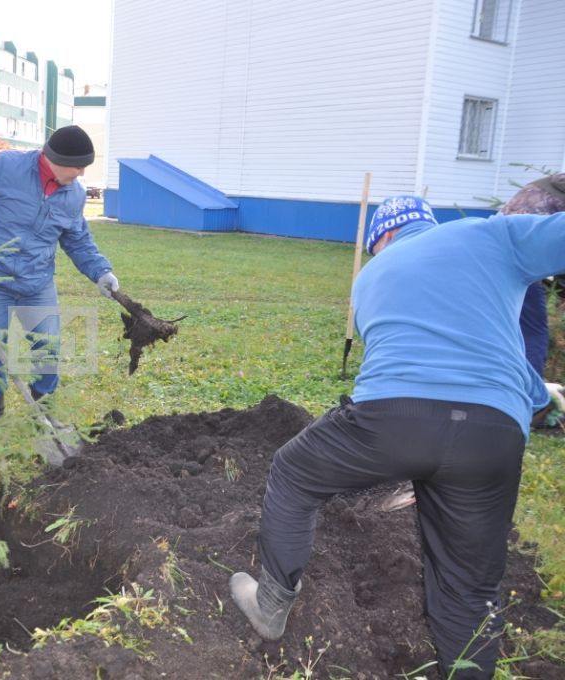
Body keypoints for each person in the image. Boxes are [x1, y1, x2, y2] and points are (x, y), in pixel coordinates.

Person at [229, 195, 565, 679]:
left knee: (293, 471)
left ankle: (270, 607)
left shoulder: (370, 278)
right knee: (467, 587)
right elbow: (491, 353)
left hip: (392, 421)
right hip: (492, 436)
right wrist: (540, 395)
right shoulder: (492, 233)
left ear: (380, 240)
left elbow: (412, 355)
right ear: (428, 223)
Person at [0, 125, 120, 418]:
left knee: (49, 350)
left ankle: (42, 414)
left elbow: (78, 239)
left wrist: (101, 271)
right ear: (53, 158)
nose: (81, 174)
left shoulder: (74, 195)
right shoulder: (6, 168)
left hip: (37, 282)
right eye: (78, 166)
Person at [499, 174, 565, 381]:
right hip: (520, 259)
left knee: (501, 324)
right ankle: (532, 392)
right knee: (534, 330)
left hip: (489, 247)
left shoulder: (542, 185)